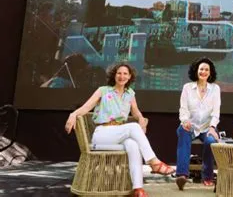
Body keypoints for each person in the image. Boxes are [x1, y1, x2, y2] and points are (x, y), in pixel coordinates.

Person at [64, 63, 175, 197]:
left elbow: (136, 112)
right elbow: (87, 107)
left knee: (133, 145)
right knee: (133, 127)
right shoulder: (103, 90)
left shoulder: (130, 94)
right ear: (114, 75)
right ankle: (154, 162)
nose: (122, 76)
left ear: (129, 77)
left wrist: (141, 119)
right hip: (102, 134)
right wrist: (73, 114)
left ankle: (138, 189)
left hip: (119, 134)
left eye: (125, 74)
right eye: (119, 73)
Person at [175, 57, 221, 190]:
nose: (204, 72)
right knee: (183, 133)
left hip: (208, 126)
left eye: (207, 69)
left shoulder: (215, 89)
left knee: (210, 141)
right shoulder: (187, 88)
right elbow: (183, 108)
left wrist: (213, 127)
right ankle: (182, 175)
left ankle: (207, 176)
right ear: (196, 71)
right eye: (201, 69)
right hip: (190, 125)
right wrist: (185, 121)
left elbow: (216, 111)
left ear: (210, 73)